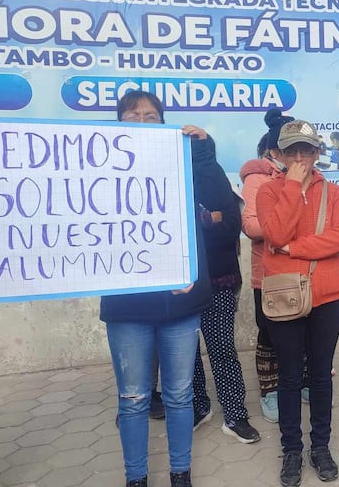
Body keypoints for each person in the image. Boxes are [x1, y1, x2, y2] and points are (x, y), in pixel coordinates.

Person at [101, 90, 212, 487]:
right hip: (126, 305)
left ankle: (180, 474)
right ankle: (137, 478)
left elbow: (217, 205)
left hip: (179, 303)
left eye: (151, 116)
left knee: (180, 394)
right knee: (132, 398)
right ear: (118, 123)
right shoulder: (98, 169)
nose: (143, 122)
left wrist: (202, 153)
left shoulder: (184, 162)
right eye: (133, 116)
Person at [256, 119, 339, 487]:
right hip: (284, 296)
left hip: (328, 295)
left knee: (321, 375)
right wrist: (293, 186)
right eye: (291, 151)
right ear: (279, 154)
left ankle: (321, 447)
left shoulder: (336, 193)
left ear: (317, 153)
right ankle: (292, 450)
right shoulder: (269, 192)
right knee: (290, 376)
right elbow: (274, 232)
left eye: (306, 150)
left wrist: (293, 249)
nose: (299, 157)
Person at [190, 134, 262, 444]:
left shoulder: (213, 176)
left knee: (221, 350)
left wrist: (201, 220)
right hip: (177, 285)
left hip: (217, 280)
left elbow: (231, 224)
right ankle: (198, 406)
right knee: (185, 354)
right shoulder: (162, 178)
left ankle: (234, 414)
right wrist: (207, 219)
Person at [240, 109, 291, 423]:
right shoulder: (258, 180)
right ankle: (270, 391)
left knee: (299, 330)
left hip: (302, 269)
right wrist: (287, 228)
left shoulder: (306, 177)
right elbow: (251, 225)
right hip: (269, 274)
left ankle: (298, 382)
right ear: (274, 151)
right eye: (289, 149)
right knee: (270, 334)